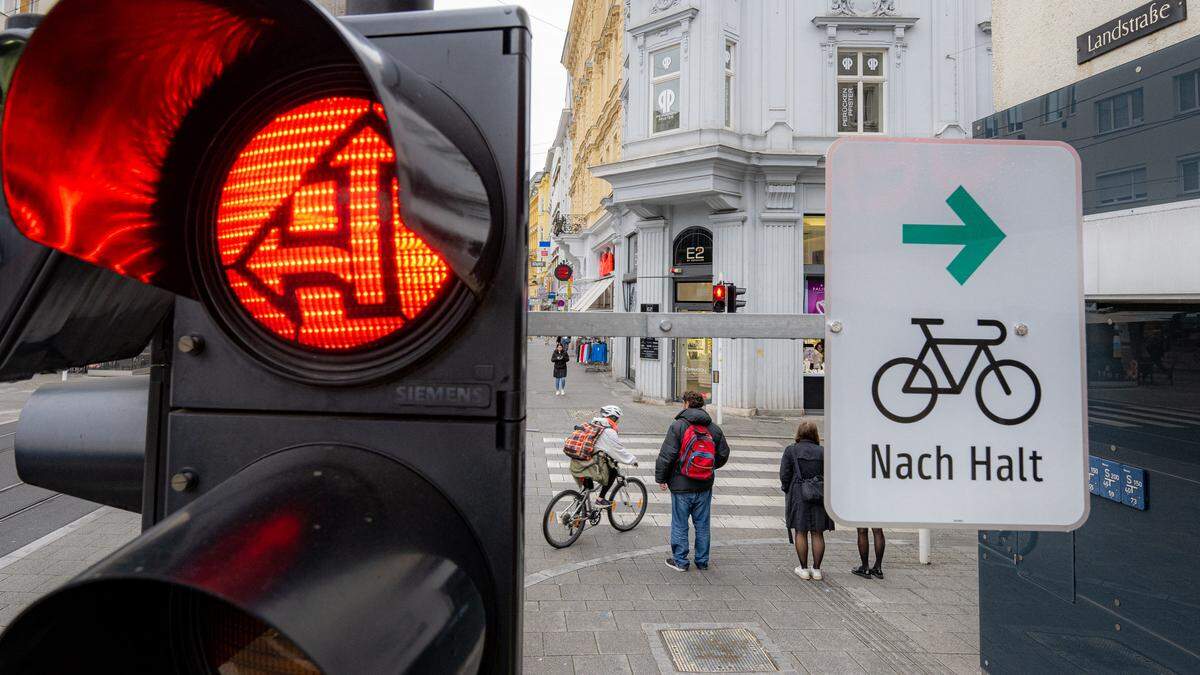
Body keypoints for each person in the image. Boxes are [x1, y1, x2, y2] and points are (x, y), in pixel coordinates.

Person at [655, 390, 730, 572]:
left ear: (686, 404)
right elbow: (723, 454)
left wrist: (661, 478)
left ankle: (680, 561)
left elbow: (667, 455)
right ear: (702, 405)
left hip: (681, 484)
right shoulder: (713, 429)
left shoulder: (678, 426)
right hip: (704, 484)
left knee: (680, 523)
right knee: (702, 524)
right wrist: (707, 467)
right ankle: (702, 561)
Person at [780, 420, 834, 581]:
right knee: (818, 532)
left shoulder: (791, 451)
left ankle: (803, 568)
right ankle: (816, 569)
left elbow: (784, 474)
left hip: (798, 494)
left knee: (800, 531)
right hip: (819, 494)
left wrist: (786, 488)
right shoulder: (823, 451)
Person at [569, 405, 637, 507]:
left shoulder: (593, 424)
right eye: (617, 419)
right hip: (587, 465)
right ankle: (600, 500)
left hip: (576, 463)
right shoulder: (608, 431)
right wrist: (632, 460)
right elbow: (618, 451)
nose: (618, 421)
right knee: (613, 472)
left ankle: (579, 515)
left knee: (586, 490)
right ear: (613, 418)